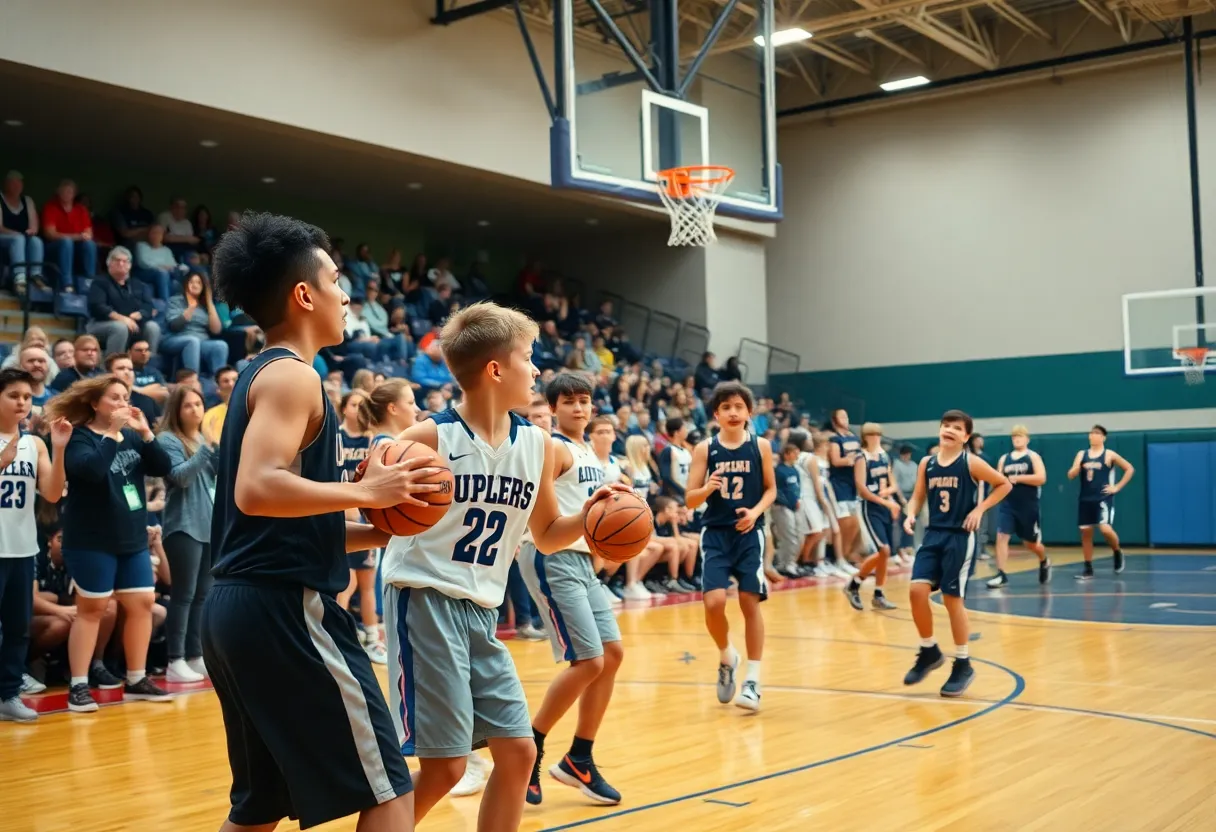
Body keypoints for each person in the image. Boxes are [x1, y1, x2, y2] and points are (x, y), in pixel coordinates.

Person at [203, 213, 435, 831]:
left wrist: (377, 526)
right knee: (388, 787)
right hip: (285, 611)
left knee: (260, 806)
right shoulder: (292, 376)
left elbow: (280, 519)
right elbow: (257, 490)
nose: (347, 291)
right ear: (304, 295)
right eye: (336, 278)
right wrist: (365, 490)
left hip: (240, 604)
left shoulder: (268, 375)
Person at [381, 303, 626, 832]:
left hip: (483, 612)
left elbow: (546, 533)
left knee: (517, 753)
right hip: (424, 602)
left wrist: (591, 514)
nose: (536, 371)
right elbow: (376, 514)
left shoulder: (536, 444)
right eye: (528, 358)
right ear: (495, 369)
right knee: (445, 767)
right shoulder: (425, 440)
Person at [518, 372, 624, 806]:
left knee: (611, 655)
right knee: (588, 661)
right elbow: (538, 508)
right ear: (554, 408)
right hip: (550, 556)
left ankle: (579, 758)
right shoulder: (552, 446)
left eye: (584, 401)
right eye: (569, 401)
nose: (578, 408)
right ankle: (529, 750)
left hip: (580, 558)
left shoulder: (590, 454)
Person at [45, 374, 175, 712]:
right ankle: (78, 685)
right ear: (94, 403)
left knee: (143, 603)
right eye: (114, 398)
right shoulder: (80, 438)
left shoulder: (132, 436)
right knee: (93, 610)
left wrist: (146, 434)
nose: (122, 404)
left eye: (125, 397)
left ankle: (135, 677)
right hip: (90, 540)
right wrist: (112, 437)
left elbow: (163, 467)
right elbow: (92, 470)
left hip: (131, 538)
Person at [901, 410, 1010, 697]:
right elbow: (918, 495)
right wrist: (910, 514)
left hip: (960, 538)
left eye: (956, 427)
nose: (949, 429)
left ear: (965, 437)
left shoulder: (972, 462)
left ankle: (963, 662)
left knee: (952, 601)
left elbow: (1004, 484)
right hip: (934, 534)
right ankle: (929, 651)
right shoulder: (926, 463)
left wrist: (979, 509)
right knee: (916, 592)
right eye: (945, 425)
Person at [685, 381, 777, 712]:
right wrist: (707, 488)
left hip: (750, 533)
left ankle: (752, 679)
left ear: (749, 412)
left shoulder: (761, 446)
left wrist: (754, 512)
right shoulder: (704, 449)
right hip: (716, 533)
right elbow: (690, 498)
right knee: (713, 603)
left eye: (739, 407)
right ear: (716, 415)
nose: (733, 412)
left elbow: (771, 490)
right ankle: (727, 654)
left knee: (750, 603)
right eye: (726, 408)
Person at [0, 369, 69, 723]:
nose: (23, 402)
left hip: (23, 548)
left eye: (27, 396)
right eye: (14, 395)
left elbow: (53, 494)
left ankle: (9, 694)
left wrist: (58, 450)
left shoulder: (34, 444)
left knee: (16, 627)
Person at [156, 386, 218, 683]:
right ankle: (174, 660)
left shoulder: (202, 439)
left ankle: (196, 655)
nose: (195, 409)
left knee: (203, 596)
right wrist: (207, 448)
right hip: (183, 526)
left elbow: (216, 475)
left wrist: (215, 449)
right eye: (188, 405)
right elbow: (179, 477)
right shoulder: (167, 439)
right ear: (176, 410)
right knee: (183, 594)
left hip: (207, 526)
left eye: (198, 403)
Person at [844, 423, 899, 611]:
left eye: (878, 434)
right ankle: (854, 584)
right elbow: (862, 489)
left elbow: (893, 484)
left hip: (884, 505)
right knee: (883, 550)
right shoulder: (862, 458)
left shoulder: (884, 456)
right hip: (870, 507)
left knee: (886, 553)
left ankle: (878, 594)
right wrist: (886, 502)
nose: (875, 437)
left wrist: (890, 496)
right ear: (865, 437)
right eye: (871, 435)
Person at [1067, 425, 1133, 580]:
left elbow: (1129, 469)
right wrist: (1074, 471)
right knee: (1086, 533)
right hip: (1085, 498)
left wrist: (1117, 487)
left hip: (1102, 498)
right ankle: (1088, 567)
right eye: (1091, 433)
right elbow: (1071, 473)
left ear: (1103, 437)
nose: (1093, 435)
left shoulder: (1109, 454)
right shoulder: (1081, 454)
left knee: (1105, 529)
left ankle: (1117, 551)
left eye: (1097, 433)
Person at [987, 426, 1051, 588]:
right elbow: (997, 479)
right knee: (1001, 536)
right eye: (1014, 436)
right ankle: (1001, 574)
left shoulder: (1032, 456)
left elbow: (1041, 478)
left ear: (1027, 439)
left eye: (1020, 436)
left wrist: (1019, 478)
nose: (1017, 439)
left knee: (1030, 543)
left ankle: (1044, 560)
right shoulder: (1004, 458)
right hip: (1008, 505)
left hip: (1028, 506)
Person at [826, 408, 863, 574]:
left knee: (854, 523)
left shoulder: (855, 438)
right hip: (839, 484)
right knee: (843, 523)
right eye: (842, 416)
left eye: (846, 415)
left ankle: (846, 556)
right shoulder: (835, 439)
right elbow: (835, 460)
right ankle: (837, 557)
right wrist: (850, 460)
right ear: (835, 420)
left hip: (853, 484)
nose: (845, 418)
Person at [771, 443, 804, 579]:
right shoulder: (779, 471)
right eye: (794, 452)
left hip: (794, 507)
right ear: (786, 454)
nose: (797, 455)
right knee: (788, 537)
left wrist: (797, 500)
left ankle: (788, 563)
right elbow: (777, 491)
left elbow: (796, 488)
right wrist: (787, 503)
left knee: (798, 536)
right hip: (782, 507)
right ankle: (786, 565)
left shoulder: (795, 470)